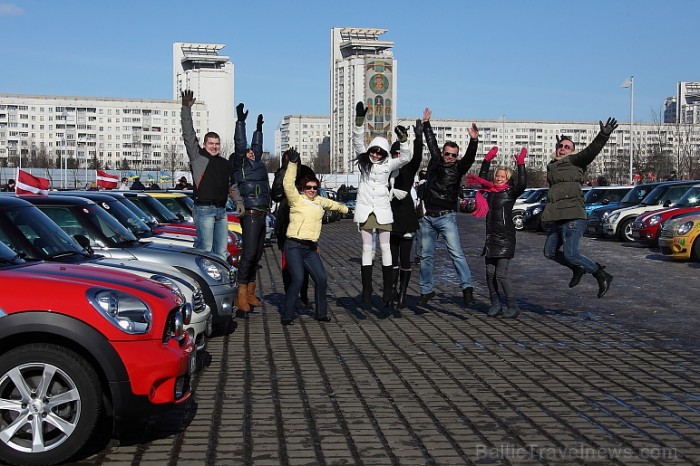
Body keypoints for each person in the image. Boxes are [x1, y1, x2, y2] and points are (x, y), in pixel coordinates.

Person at [541, 118, 618, 298]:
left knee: (571, 253)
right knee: (549, 252)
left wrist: (603, 135)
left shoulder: (575, 161)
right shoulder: (551, 166)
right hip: (557, 216)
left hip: (573, 215)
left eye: (568, 147)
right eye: (561, 145)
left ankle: (600, 273)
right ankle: (577, 268)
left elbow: (592, 150)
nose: (563, 148)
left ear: (573, 151)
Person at [419, 107, 479, 307]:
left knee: (456, 253)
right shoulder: (436, 162)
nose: (449, 157)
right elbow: (431, 143)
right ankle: (426, 290)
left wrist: (474, 140)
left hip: (446, 217)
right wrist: (426, 124)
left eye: (453, 155)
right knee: (426, 256)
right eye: (447, 154)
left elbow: (469, 159)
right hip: (428, 217)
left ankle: (467, 287)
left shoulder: (458, 168)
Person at [281, 148, 348, 325]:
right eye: (308, 188)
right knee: (298, 279)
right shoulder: (296, 199)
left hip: (310, 248)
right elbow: (288, 184)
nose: (312, 190)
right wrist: (293, 164)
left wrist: (348, 210)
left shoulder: (319, 201)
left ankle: (321, 313)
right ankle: (287, 315)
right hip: (294, 246)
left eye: (315, 188)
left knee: (321, 278)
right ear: (303, 189)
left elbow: (334, 205)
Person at [353, 101, 411, 307]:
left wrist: (403, 139)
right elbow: (357, 141)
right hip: (365, 210)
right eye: (373, 151)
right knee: (367, 250)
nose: (375, 154)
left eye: (379, 152)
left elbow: (406, 156)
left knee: (386, 248)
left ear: (385, 153)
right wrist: (359, 121)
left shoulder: (389, 163)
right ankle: (367, 288)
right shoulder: (364, 162)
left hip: (383, 211)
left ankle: (388, 288)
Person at [467, 147, 527, 318]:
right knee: (489, 273)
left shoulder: (510, 192)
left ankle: (512, 305)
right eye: (497, 176)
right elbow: (482, 178)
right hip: (491, 238)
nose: (499, 179)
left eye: (503, 177)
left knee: (501, 274)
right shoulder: (490, 191)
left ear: (508, 179)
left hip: (506, 238)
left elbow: (522, 183)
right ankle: (495, 303)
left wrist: (521, 163)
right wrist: (486, 160)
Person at [180, 90, 231, 261]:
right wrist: (186, 110)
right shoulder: (198, 157)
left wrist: (238, 202)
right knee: (205, 250)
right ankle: (204, 282)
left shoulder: (224, 163)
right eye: (211, 143)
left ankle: (222, 282)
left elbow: (231, 184)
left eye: (217, 144)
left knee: (222, 252)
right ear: (204, 144)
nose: (214, 147)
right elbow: (188, 135)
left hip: (221, 210)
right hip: (204, 210)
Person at [230, 103, 270, 317]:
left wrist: (259, 129)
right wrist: (241, 122)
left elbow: (257, 147)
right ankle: (241, 292)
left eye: (253, 152)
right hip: (252, 212)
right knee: (248, 253)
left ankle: (251, 290)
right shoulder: (240, 164)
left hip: (263, 211)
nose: (251, 153)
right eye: (249, 152)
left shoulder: (257, 162)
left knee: (258, 254)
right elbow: (240, 144)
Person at [271, 149, 315, 307]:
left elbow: (314, 194)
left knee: (305, 263)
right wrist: (284, 171)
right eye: (287, 160)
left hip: (305, 223)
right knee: (287, 264)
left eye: (292, 160)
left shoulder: (306, 172)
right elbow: (275, 195)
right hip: (286, 224)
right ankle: (290, 295)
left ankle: (303, 294)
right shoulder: (281, 173)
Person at [388, 119, 424, 309]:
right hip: (390, 219)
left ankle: (402, 293)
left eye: (399, 153)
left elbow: (417, 157)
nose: (397, 156)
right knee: (391, 260)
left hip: (407, 218)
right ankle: (392, 290)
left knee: (405, 260)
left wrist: (419, 137)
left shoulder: (408, 169)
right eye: (394, 153)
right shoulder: (386, 171)